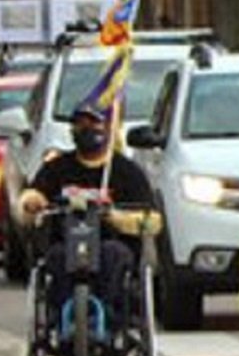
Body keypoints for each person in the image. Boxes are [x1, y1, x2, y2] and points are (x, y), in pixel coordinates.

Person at [18, 104, 159, 335]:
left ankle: (109, 315)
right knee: (56, 258)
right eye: (80, 124)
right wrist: (32, 203)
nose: (86, 129)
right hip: (66, 244)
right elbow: (34, 193)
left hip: (111, 244)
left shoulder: (126, 171)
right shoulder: (57, 167)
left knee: (114, 256)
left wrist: (117, 218)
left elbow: (152, 219)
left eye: (93, 123)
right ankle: (63, 314)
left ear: (107, 128)